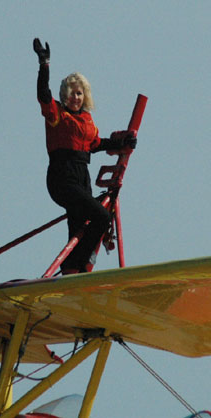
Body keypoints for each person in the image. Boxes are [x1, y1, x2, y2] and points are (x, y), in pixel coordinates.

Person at [33, 38, 136, 275]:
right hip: (62, 177)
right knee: (100, 216)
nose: (75, 97)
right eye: (71, 93)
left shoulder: (87, 121)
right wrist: (44, 65)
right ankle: (82, 265)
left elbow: (96, 144)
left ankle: (71, 271)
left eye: (79, 93)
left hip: (82, 177)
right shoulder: (57, 115)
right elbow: (43, 95)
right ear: (64, 95)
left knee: (79, 225)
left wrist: (122, 142)